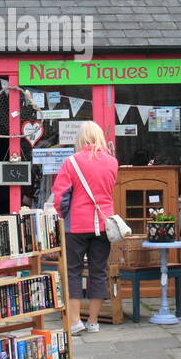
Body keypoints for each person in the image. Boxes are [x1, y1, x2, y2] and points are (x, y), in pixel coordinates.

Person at [46, 121, 118, 334]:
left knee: (73, 272)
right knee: (99, 272)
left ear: (80, 138)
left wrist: (63, 214)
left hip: (76, 225)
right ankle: (93, 322)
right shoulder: (112, 162)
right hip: (104, 224)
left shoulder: (71, 162)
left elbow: (60, 196)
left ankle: (75, 321)